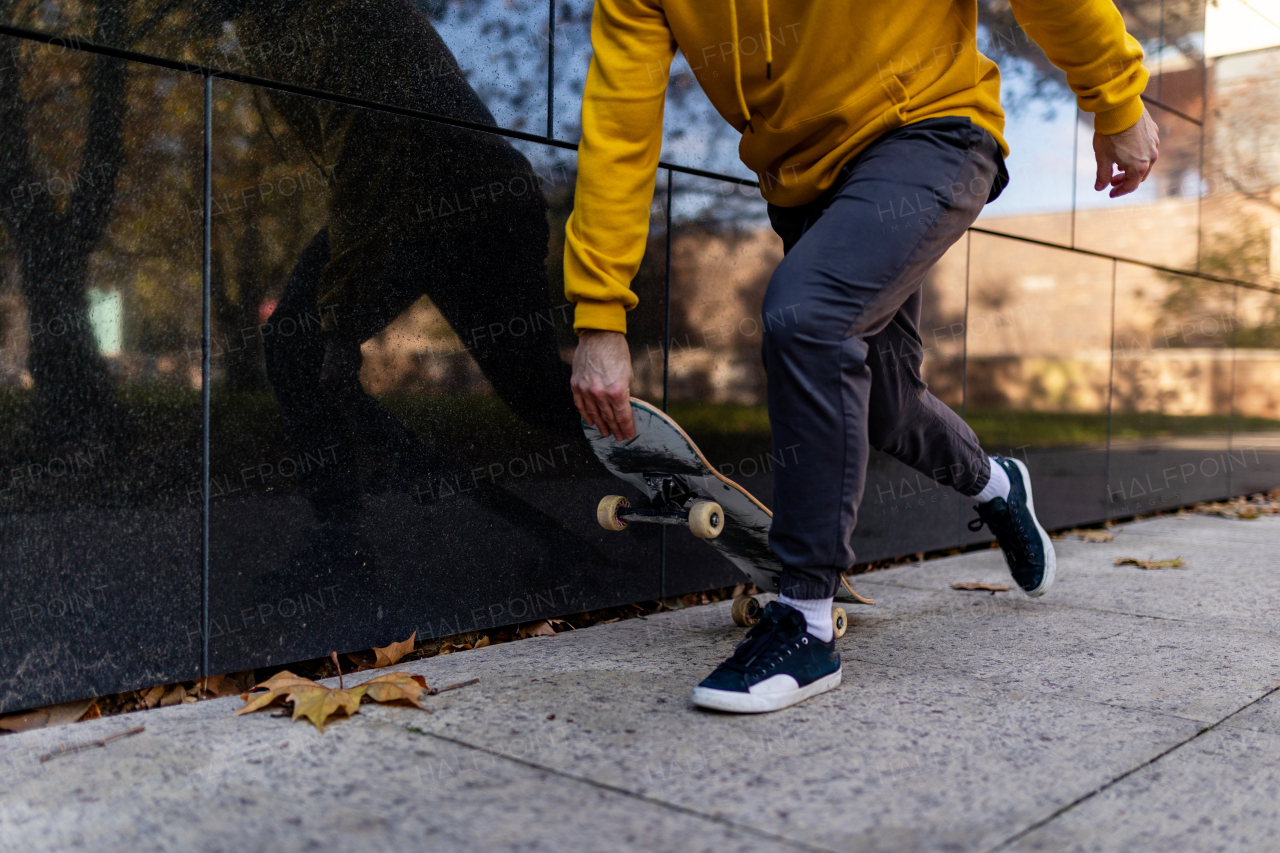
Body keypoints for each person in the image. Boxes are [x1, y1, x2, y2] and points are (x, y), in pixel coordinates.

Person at [565, 1, 1159, 713]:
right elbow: (620, 125)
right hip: (807, 182)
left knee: (807, 317)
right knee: (884, 401)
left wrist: (1115, 98)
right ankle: (996, 485)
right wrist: (600, 314)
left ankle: (805, 619)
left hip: (931, 129)